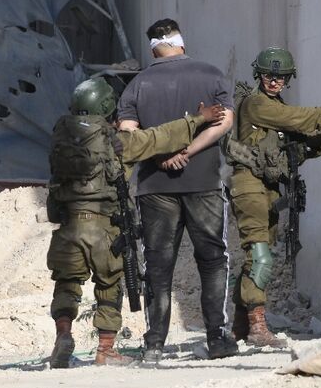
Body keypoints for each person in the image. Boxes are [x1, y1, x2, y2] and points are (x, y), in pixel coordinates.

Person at [47, 77, 225, 368]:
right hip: (103, 228)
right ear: (106, 107)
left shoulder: (60, 139)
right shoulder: (116, 143)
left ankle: (63, 334)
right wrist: (199, 118)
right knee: (109, 286)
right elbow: (161, 137)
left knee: (66, 285)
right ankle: (105, 350)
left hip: (67, 227)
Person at [117, 19, 238, 361]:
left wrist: (163, 155)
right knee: (213, 260)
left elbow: (127, 135)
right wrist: (188, 152)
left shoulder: (136, 85)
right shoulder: (211, 75)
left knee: (157, 264)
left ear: (153, 47)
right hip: (204, 183)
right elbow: (225, 121)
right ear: (181, 42)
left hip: (154, 187)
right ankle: (217, 338)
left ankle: (154, 344)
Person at [227, 47, 321, 347]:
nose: (274, 82)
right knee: (259, 257)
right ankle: (258, 328)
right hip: (249, 184)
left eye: (280, 77)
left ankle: (241, 325)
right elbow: (296, 119)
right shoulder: (257, 104)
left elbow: (301, 145)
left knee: (257, 257)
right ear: (258, 75)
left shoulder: (276, 109)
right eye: (268, 75)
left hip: (269, 188)